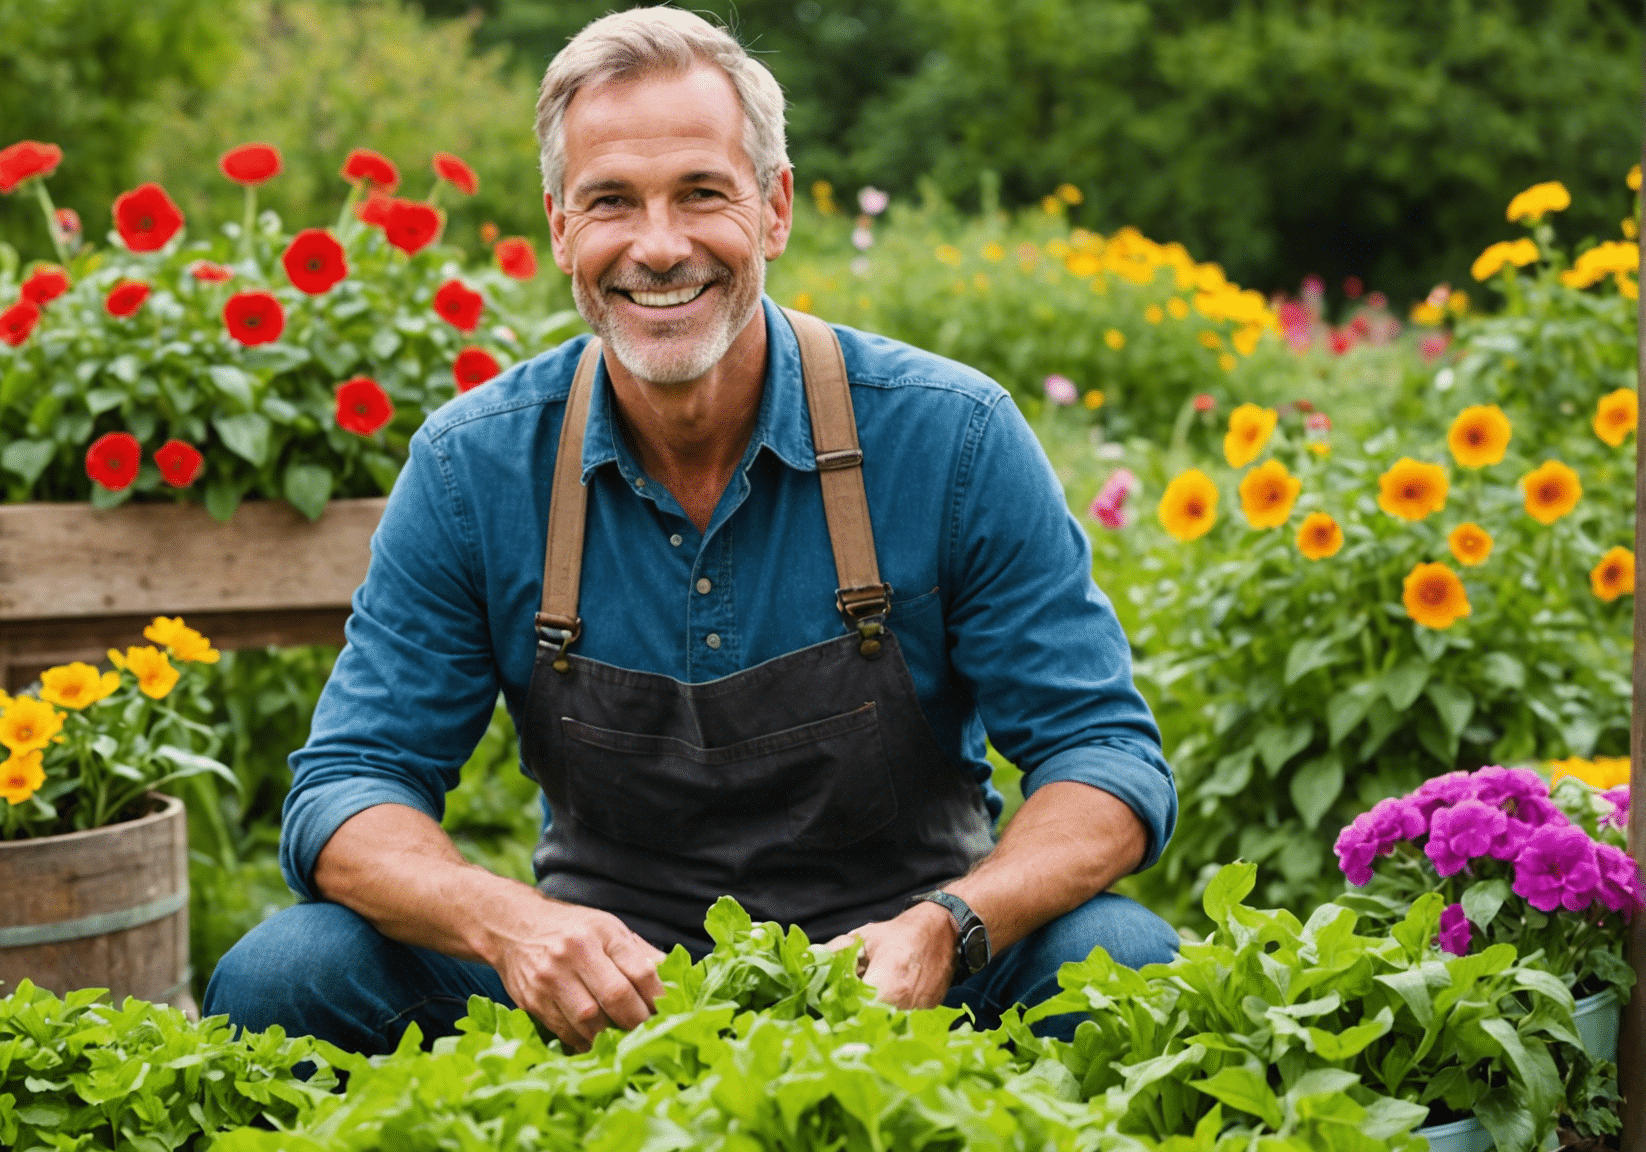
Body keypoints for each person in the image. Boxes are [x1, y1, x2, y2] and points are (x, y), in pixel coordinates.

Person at [205, 6, 1179, 1054]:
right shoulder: (474, 465)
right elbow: (349, 786)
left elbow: (1104, 756)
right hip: (594, 999)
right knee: (286, 975)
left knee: (1122, 964)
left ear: (774, 208)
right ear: (560, 226)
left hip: (911, 974)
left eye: (701, 195)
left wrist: (955, 924)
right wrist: (518, 928)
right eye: (612, 201)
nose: (658, 247)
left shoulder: (951, 436)